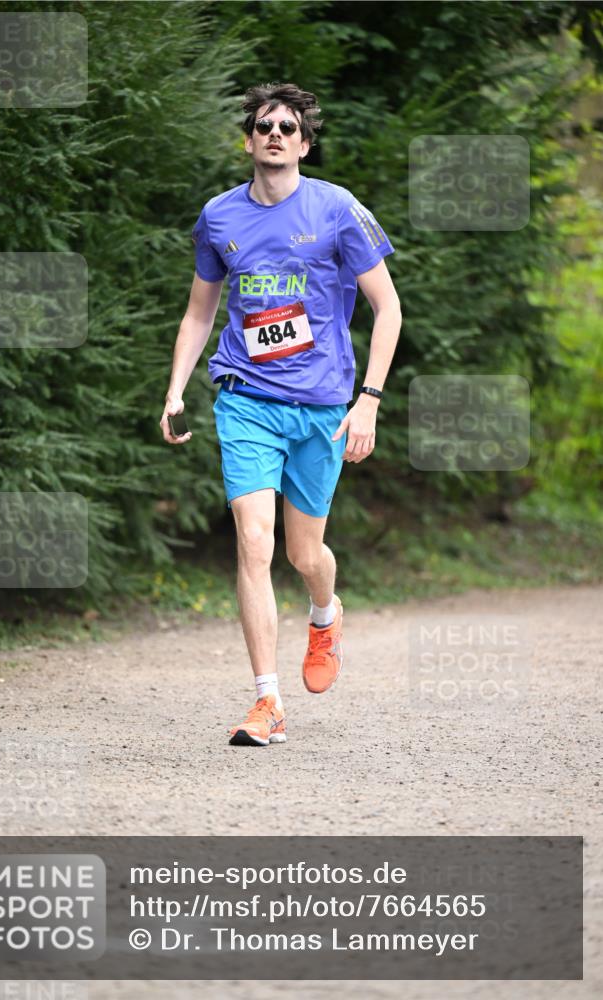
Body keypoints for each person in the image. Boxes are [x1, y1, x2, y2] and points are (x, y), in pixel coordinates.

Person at [160, 82, 402, 747]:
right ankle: (266, 701)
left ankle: (324, 613)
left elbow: (388, 309)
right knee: (253, 541)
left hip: (322, 407)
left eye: (287, 126)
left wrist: (369, 403)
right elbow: (200, 311)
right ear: (248, 139)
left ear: (303, 142)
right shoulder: (218, 218)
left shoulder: (337, 210)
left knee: (304, 554)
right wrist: (176, 388)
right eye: (263, 124)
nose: (274, 133)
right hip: (246, 401)